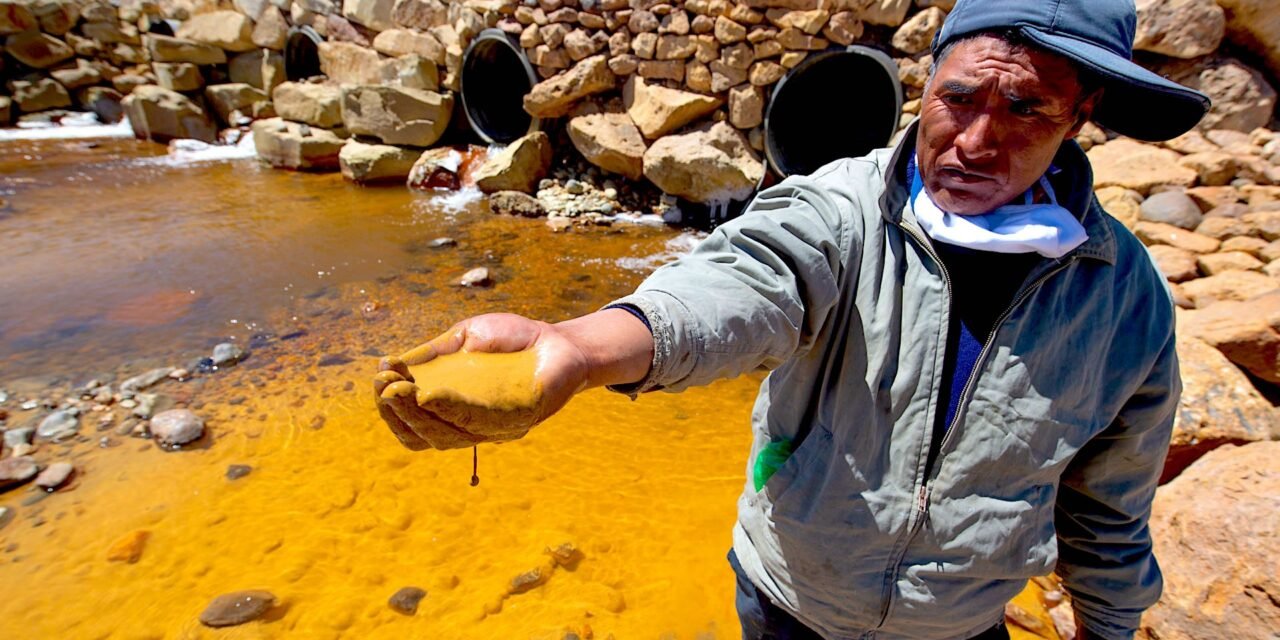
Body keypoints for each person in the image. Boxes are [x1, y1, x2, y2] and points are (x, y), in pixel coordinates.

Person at [373, 0, 1211, 638]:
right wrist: (580, 347)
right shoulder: (840, 209)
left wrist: (1109, 628)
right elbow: (740, 284)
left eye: (1026, 110)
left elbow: (1108, 508)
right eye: (958, 99)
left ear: (1083, 112)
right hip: (787, 603)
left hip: (957, 625)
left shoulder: (1123, 301)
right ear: (927, 82)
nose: (974, 142)